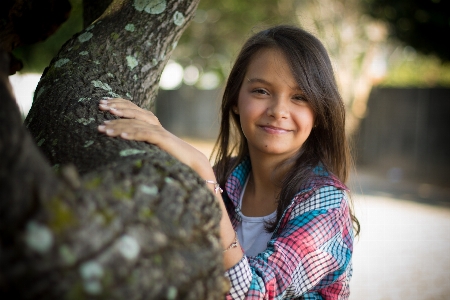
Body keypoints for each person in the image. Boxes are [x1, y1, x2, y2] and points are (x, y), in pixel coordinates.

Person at [97, 25, 360, 299]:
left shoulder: (325, 203)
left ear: (319, 112)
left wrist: (202, 172)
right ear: (235, 99)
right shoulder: (227, 177)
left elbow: (252, 294)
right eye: (261, 91)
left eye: (300, 97)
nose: (278, 111)